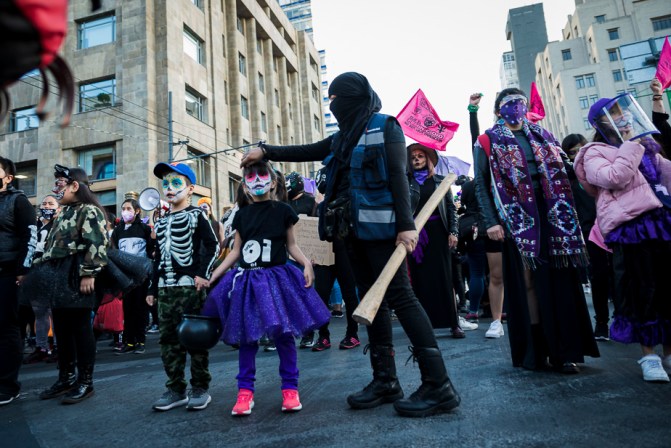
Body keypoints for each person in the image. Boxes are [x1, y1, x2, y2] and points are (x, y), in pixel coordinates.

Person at [241, 72, 460, 417]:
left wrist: (406, 226)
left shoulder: (385, 127)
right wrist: (266, 151)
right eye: (330, 99)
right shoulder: (344, 136)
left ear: (356, 97)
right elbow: (309, 150)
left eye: (337, 98)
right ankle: (385, 379)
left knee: (401, 298)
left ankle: (439, 384)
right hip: (351, 233)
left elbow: (398, 177)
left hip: (383, 232)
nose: (333, 105)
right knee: (373, 305)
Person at [474, 88, 599, 373]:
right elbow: (481, 182)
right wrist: (491, 221)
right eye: (509, 104)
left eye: (520, 103)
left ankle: (564, 351)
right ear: (498, 110)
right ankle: (537, 349)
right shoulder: (487, 140)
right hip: (517, 218)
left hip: (553, 214)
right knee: (528, 281)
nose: (516, 108)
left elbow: (568, 169)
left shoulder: (544, 136)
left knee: (560, 279)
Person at [203, 161, 330, 416]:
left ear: (273, 182)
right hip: (248, 280)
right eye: (251, 177)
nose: (257, 180)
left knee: (283, 334)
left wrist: (306, 263)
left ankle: (290, 389)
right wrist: (214, 274)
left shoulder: (283, 210)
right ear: (245, 186)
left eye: (262, 175)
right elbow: (236, 251)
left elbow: (291, 245)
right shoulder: (242, 215)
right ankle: (245, 392)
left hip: (276, 279)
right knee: (247, 337)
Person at [575, 94, 671, 382]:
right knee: (642, 290)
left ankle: (669, 353)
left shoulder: (645, 146)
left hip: (661, 223)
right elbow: (614, 177)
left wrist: (652, 144)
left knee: (667, 289)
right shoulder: (594, 153)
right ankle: (649, 356)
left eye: (624, 111)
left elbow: (665, 178)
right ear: (603, 122)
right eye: (615, 113)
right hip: (632, 228)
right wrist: (631, 145)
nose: (624, 117)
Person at [30, 165, 108, 404]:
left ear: (75, 186)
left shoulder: (89, 210)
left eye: (60, 184)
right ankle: (65, 378)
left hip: (77, 275)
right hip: (58, 276)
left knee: (81, 328)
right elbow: (53, 247)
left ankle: (85, 381)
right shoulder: (63, 212)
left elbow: (97, 242)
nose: (56, 189)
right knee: (62, 329)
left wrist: (89, 274)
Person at [146, 162, 219, 411]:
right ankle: (175, 389)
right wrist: (152, 289)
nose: (169, 187)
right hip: (165, 288)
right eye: (166, 183)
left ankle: (200, 387)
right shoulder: (161, 222)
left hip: (190, 287)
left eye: (176, 183)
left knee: (196, 337)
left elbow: (213, 245)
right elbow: (158, 257)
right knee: (168, 340)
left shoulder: (198, 215)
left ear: (190, 189)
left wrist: (203, 274)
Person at [286, 171, 361, 351]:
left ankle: (352, 334)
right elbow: (313, 232)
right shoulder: (319, 205)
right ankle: (323, 336)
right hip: (323, 256)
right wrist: (310, 254)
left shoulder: (349, 201)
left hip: (345, 254)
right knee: (320, 295)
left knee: (349, 294)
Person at [406, 143, 463, 339]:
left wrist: (453, 232)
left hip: (439, 233)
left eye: (420, 156)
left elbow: (451, 208)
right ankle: (425, 326)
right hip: (416, 236)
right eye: (413, 157)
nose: (417, 159)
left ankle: (453, 323)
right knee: (420, 281)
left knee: (445, 279)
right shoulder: (405, 183)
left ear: (428, 159)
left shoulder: (440, 181)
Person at [562, 133, 613, 341]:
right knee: (598, 276)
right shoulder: (571, 176)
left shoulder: (600, 167)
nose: (577, 154)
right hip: (590, 232)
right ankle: (601, 323)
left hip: (614, 226)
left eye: (580, 149)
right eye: (572, 152)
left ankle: (623, 318)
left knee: (620, 274)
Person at [465, 93, 506, 339]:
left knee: (489, 273)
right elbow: (476, 139)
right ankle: (497, 318)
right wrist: (472, 112)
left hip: (516, 220)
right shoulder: (486, 145)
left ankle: (478, 310)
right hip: (490, 225)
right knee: (494, 274)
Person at [0, 156, 36, 406]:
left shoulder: (18, 201)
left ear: (8, 178)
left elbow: (29, 236)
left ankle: (7, 386)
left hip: (8, 273)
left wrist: (23, 269)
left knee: (7, 327)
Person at [111, 198, 154, 354]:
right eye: (123, 208)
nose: (125, 211)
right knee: (127, 309)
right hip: (125, 276)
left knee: (140, 308)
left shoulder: (145, 229)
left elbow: (151, 251)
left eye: (129, 208)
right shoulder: (118, 231)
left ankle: (140, 341)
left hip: (142, 275)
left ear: (137, 211)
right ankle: (129, 341)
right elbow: (114, 251)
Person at [23, 194, 60, 364]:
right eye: (44, 203)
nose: (46, 206)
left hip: (51, 271)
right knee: (39, 311)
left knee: (54, 311)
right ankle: (42, 347)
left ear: (58, 208)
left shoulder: (59, 225)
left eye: (50, 204)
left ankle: (58, 347)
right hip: (34, 272)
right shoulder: (35, 226)